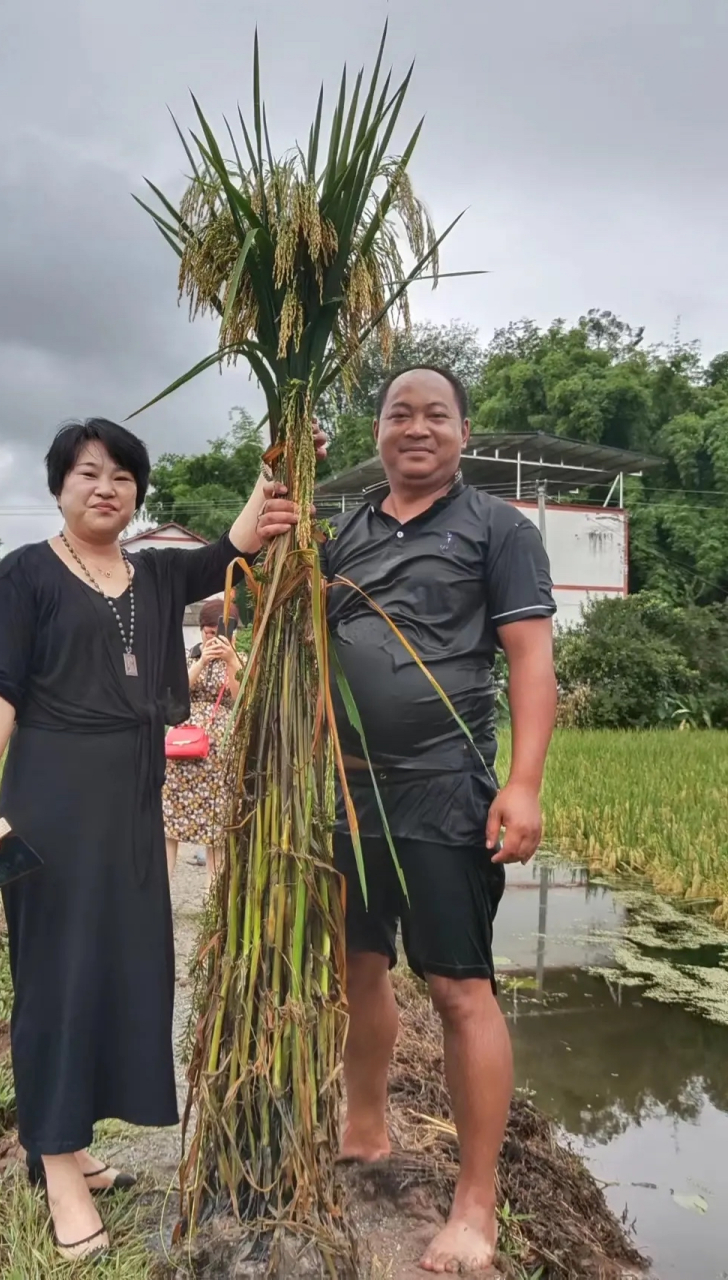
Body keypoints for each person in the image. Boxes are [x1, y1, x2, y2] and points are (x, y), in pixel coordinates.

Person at [0, 416, 324, 1262]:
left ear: (137, 493)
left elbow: (241, 537)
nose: (106, 487)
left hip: (133, 801)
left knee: (125, 967)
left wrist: (283, 457)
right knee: (55, 975)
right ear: (59, 485)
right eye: (88, 473)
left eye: (122, 475)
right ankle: (54, 1164)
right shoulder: (23, 578)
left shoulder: (155, 576)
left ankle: (76, 1138)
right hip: (51, 798)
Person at [321, 367, 557, 1274]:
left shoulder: (499, 528)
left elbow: (531, 661)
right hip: (347, 792)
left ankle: (475, 1205)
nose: (416, 428)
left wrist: (524, 783)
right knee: (358, 964)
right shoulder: (347, 531)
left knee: (459, 989)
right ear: (377, 430)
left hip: (443, 788)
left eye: (436, 415)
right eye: (398, 414)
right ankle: (366, 1125)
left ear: (464, 432)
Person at [163, 597, 243, 880]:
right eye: (208, 632)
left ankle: (214, 898)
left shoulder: (238, 660)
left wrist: (231, 659)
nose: (213, 638)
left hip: (219, 752)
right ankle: (162, 893)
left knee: (216, 826)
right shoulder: (190, 656)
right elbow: (176, 693)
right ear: (201, 631)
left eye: (219, 632)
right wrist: (202, 661)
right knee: (170, 821)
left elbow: (241, 698)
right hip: (182, 748)